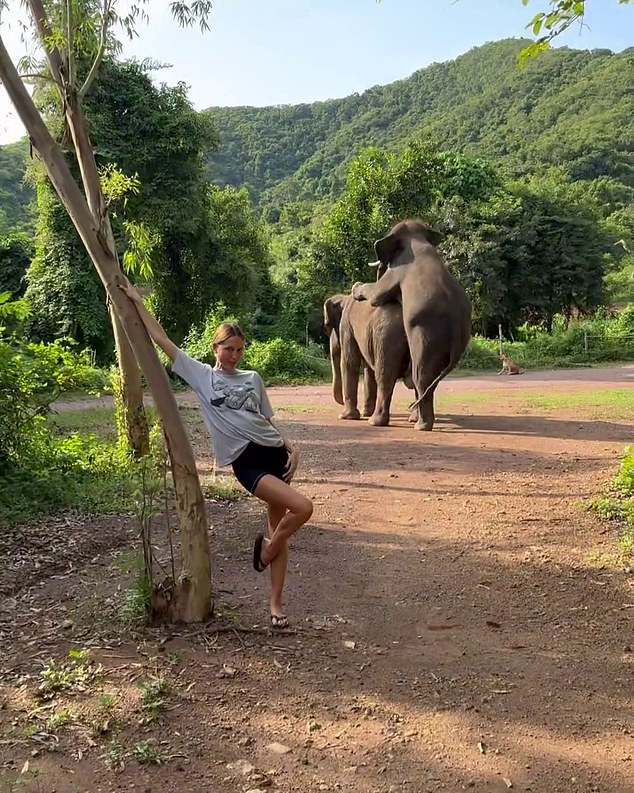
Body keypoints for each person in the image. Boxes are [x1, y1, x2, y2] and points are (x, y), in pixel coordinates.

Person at [121, 283, 313, 629]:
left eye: (239, 350)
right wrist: (136, 302)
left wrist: (289, 448)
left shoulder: (253, 378)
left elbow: (265, 420)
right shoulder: (203, 377)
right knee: (304, 509)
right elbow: (163, 341)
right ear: (215, 347)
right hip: (247, 462)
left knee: (278, 524)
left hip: (275, 456)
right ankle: (267, 550)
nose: (234, 356)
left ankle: (275, 604)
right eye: (228, 349)